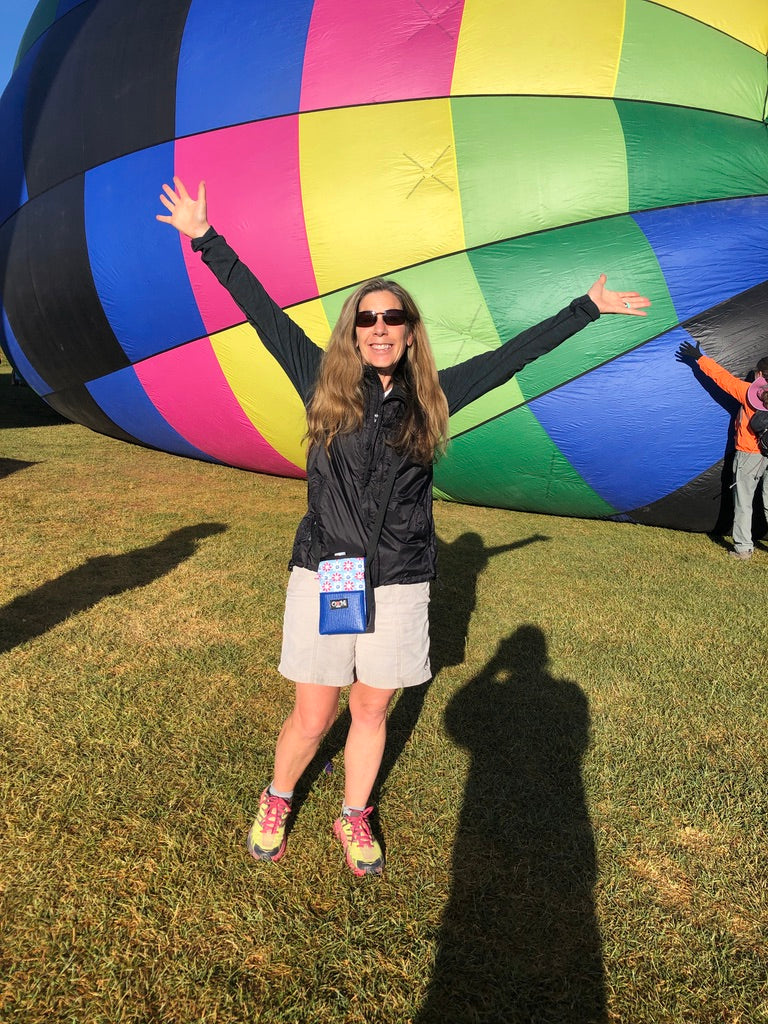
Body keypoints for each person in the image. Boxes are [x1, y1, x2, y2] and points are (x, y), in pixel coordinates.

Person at [157, 177, 651, 877]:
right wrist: (207, 240)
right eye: (367, 319)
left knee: (371, 709)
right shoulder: (319, 379)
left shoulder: (432, 399)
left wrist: (586, 309)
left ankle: (353, 815)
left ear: (410, 329)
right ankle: (278, 796)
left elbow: (514, 359)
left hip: (399, 581)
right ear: (352, 331)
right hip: (329, 570)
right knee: (312, 712)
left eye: (393, 317)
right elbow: (262, 313)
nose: (380, 328)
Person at [677, 340, 768, 560]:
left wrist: (699, 358)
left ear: (758, 375)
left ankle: (744, 548)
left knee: (744, 502)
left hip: (750, 455)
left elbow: (721, 378)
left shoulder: (748, 393)